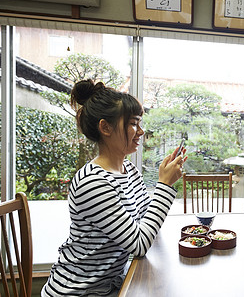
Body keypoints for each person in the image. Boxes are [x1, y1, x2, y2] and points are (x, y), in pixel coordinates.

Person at [42, 79, 186, 296]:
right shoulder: (93, 182)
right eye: (133, 123)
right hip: (79, 291)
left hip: (110, 285)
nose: (141, 131)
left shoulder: (128, 169)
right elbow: (139, 244)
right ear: (105, 127)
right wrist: (164, 185)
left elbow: (148, 221)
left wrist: (164, 182)